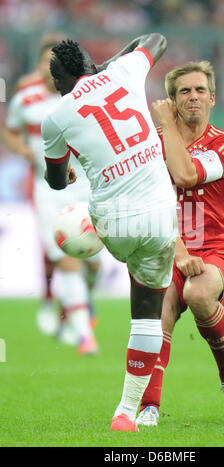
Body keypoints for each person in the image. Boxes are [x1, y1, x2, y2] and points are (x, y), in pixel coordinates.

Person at [41, 35, 178, 432]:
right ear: (91, 64)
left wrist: (65, 173)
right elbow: (155, 38)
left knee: (83, 221)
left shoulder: (57, 114)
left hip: (112, 224)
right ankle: (126, 413)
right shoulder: (125, 69)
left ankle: (81, 290)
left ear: (58, 82)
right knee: (149, 315)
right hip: (160, 217)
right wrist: (109, 65)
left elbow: (55, 181)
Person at [137, 61, 224, 426]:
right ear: (172, 100)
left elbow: (186, 175)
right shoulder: (151, 143)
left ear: (212, 98)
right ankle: (149, 408)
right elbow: (146, 200)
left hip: (216, 250)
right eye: (184, 91)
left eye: (200, 90)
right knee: (160, 312)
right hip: (169, 247)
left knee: (198, 295)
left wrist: (166, 123)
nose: (193, 97)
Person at [4, 39, 100, 354]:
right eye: (47, 63)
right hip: (48, 189)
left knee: (94, 263)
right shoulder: (26, 99)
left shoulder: (81, 98)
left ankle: (79, 303)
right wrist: (22, 150)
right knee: (68, 257)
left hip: (86, 186)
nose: (52, 70)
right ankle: (85, 334)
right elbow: (10, 128)